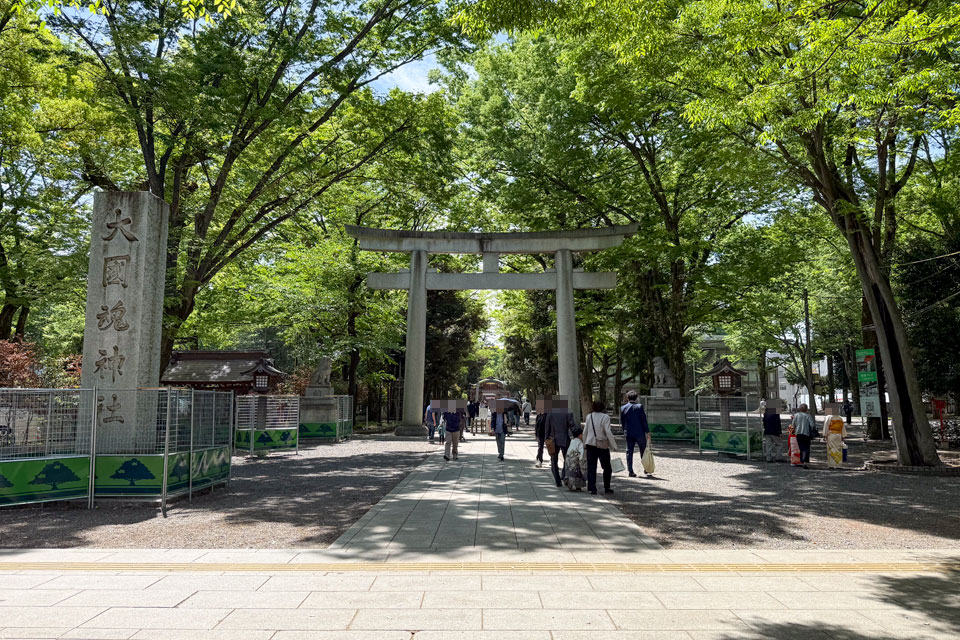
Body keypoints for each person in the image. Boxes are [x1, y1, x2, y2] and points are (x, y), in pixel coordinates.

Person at [584, 399, 618, 494]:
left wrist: (584, 443)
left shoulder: (589, 416)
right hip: (602, 445)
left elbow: (585, 431)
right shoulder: (605, 417)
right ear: (603, 408)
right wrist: (613, 445)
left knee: (591, 467)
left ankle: (592, 488)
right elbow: (608, 432)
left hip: (590, 444)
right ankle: (607, 487)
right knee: (607, 467)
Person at [543, 398, 576, 487]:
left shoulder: (550, 413)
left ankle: (557, 480)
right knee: (567, 459)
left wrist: (546, 438)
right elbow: (572, 426)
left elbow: (547, 427)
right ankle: (564, 475)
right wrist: (577, 436)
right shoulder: (567, 412)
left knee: (554, 460)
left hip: (552, 439)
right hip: (565, 438)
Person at [619, 391, 651, 477]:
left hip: (629, 432)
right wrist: (647, 432)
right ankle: (646, 468)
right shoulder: (639, 407)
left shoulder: (623, 408)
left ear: (627, 398)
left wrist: (624, 430)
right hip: (639, 432)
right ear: (636, 398)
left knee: (629, 451)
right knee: (643, 450)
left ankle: (630, 470)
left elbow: (622, 421)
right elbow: (643, 420)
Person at [790, 403, 815, 468]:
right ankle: (805, 461)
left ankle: (802, 460)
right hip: (806, 433)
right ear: (806, 409)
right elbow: (812, 425)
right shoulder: (808, 416)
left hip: (798, 433)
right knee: (806, 447)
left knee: (801, 447)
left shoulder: (796, 415)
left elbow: (793, 425)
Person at [564, 427, 586, 491]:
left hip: (569, 458)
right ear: (580, 435)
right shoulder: (580, 443)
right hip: (576, 460)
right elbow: (581, 453)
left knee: (569, 472)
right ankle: (578, 486)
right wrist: (582, 460)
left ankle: (569, 482)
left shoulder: (572, 441)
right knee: (577, 474)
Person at [534, 401, 547, 468]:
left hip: (547, 434)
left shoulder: (547, 415)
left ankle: (553, 460)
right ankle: (540, 460)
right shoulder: (538, 416)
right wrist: (536, 434)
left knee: (550, 447)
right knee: (540, 447)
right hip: (540, 434)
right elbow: (536, 426)